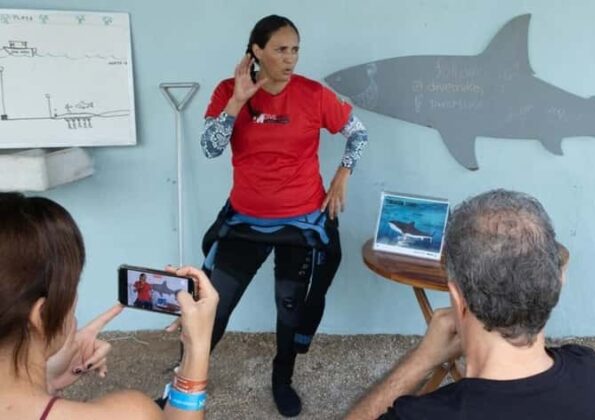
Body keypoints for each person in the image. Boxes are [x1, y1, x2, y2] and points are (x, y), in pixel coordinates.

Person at [198, 14, 368, 417]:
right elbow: (209, 148)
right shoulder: (228, 90)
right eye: (280, 49)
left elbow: (358, 132)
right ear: (256, 51)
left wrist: (342, 176)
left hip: (301, 222)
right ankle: (187, 380)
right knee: (214, 307)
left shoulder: (313, 94)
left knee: (289, 307)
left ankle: (282, 379)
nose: (290, 58)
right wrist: (237, 102)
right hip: (245, 221)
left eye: (295, 49)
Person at [347, 189, 595, 420]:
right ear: (559, 280)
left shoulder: (424, 414)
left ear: (458, 299)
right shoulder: (592, 372)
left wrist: (421, 361)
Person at [0, 192, 219, 419]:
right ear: (43, 315)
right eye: (72, 287)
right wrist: (197, 349)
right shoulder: (131, 413)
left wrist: (47, 380)